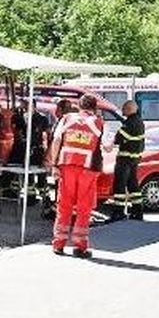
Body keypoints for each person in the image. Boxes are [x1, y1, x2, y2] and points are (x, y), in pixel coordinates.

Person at [49, 94, 104, 258]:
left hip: (67, 165)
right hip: (88, 168)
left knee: (64, 205)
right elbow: (107, 146)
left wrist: (54, 164)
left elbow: (57, 139)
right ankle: (80, 246)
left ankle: (58, 244)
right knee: (83, 208)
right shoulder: (98, 122)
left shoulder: (67, 119)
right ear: (94, 108)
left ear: (79, 106)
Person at [111, 100, 146, 220]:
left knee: (119, 185)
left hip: (125, 159)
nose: (122, 111)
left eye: (124, 108)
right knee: (133, 185)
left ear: (129, 109)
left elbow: (117, 139)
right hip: (134, 159)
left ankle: (118, 212)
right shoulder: (140, 122)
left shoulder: (129, 123)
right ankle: (138, 210)